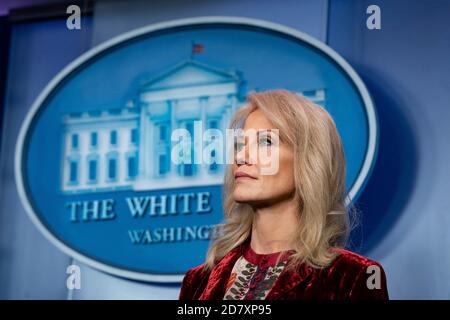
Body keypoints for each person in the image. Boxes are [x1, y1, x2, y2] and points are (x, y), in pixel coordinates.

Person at [179, 89, 388, 300]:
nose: (241, 156)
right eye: (240, 145)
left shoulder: (355, 277)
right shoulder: (197, 282)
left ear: (310, 161)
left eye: (266, 142)